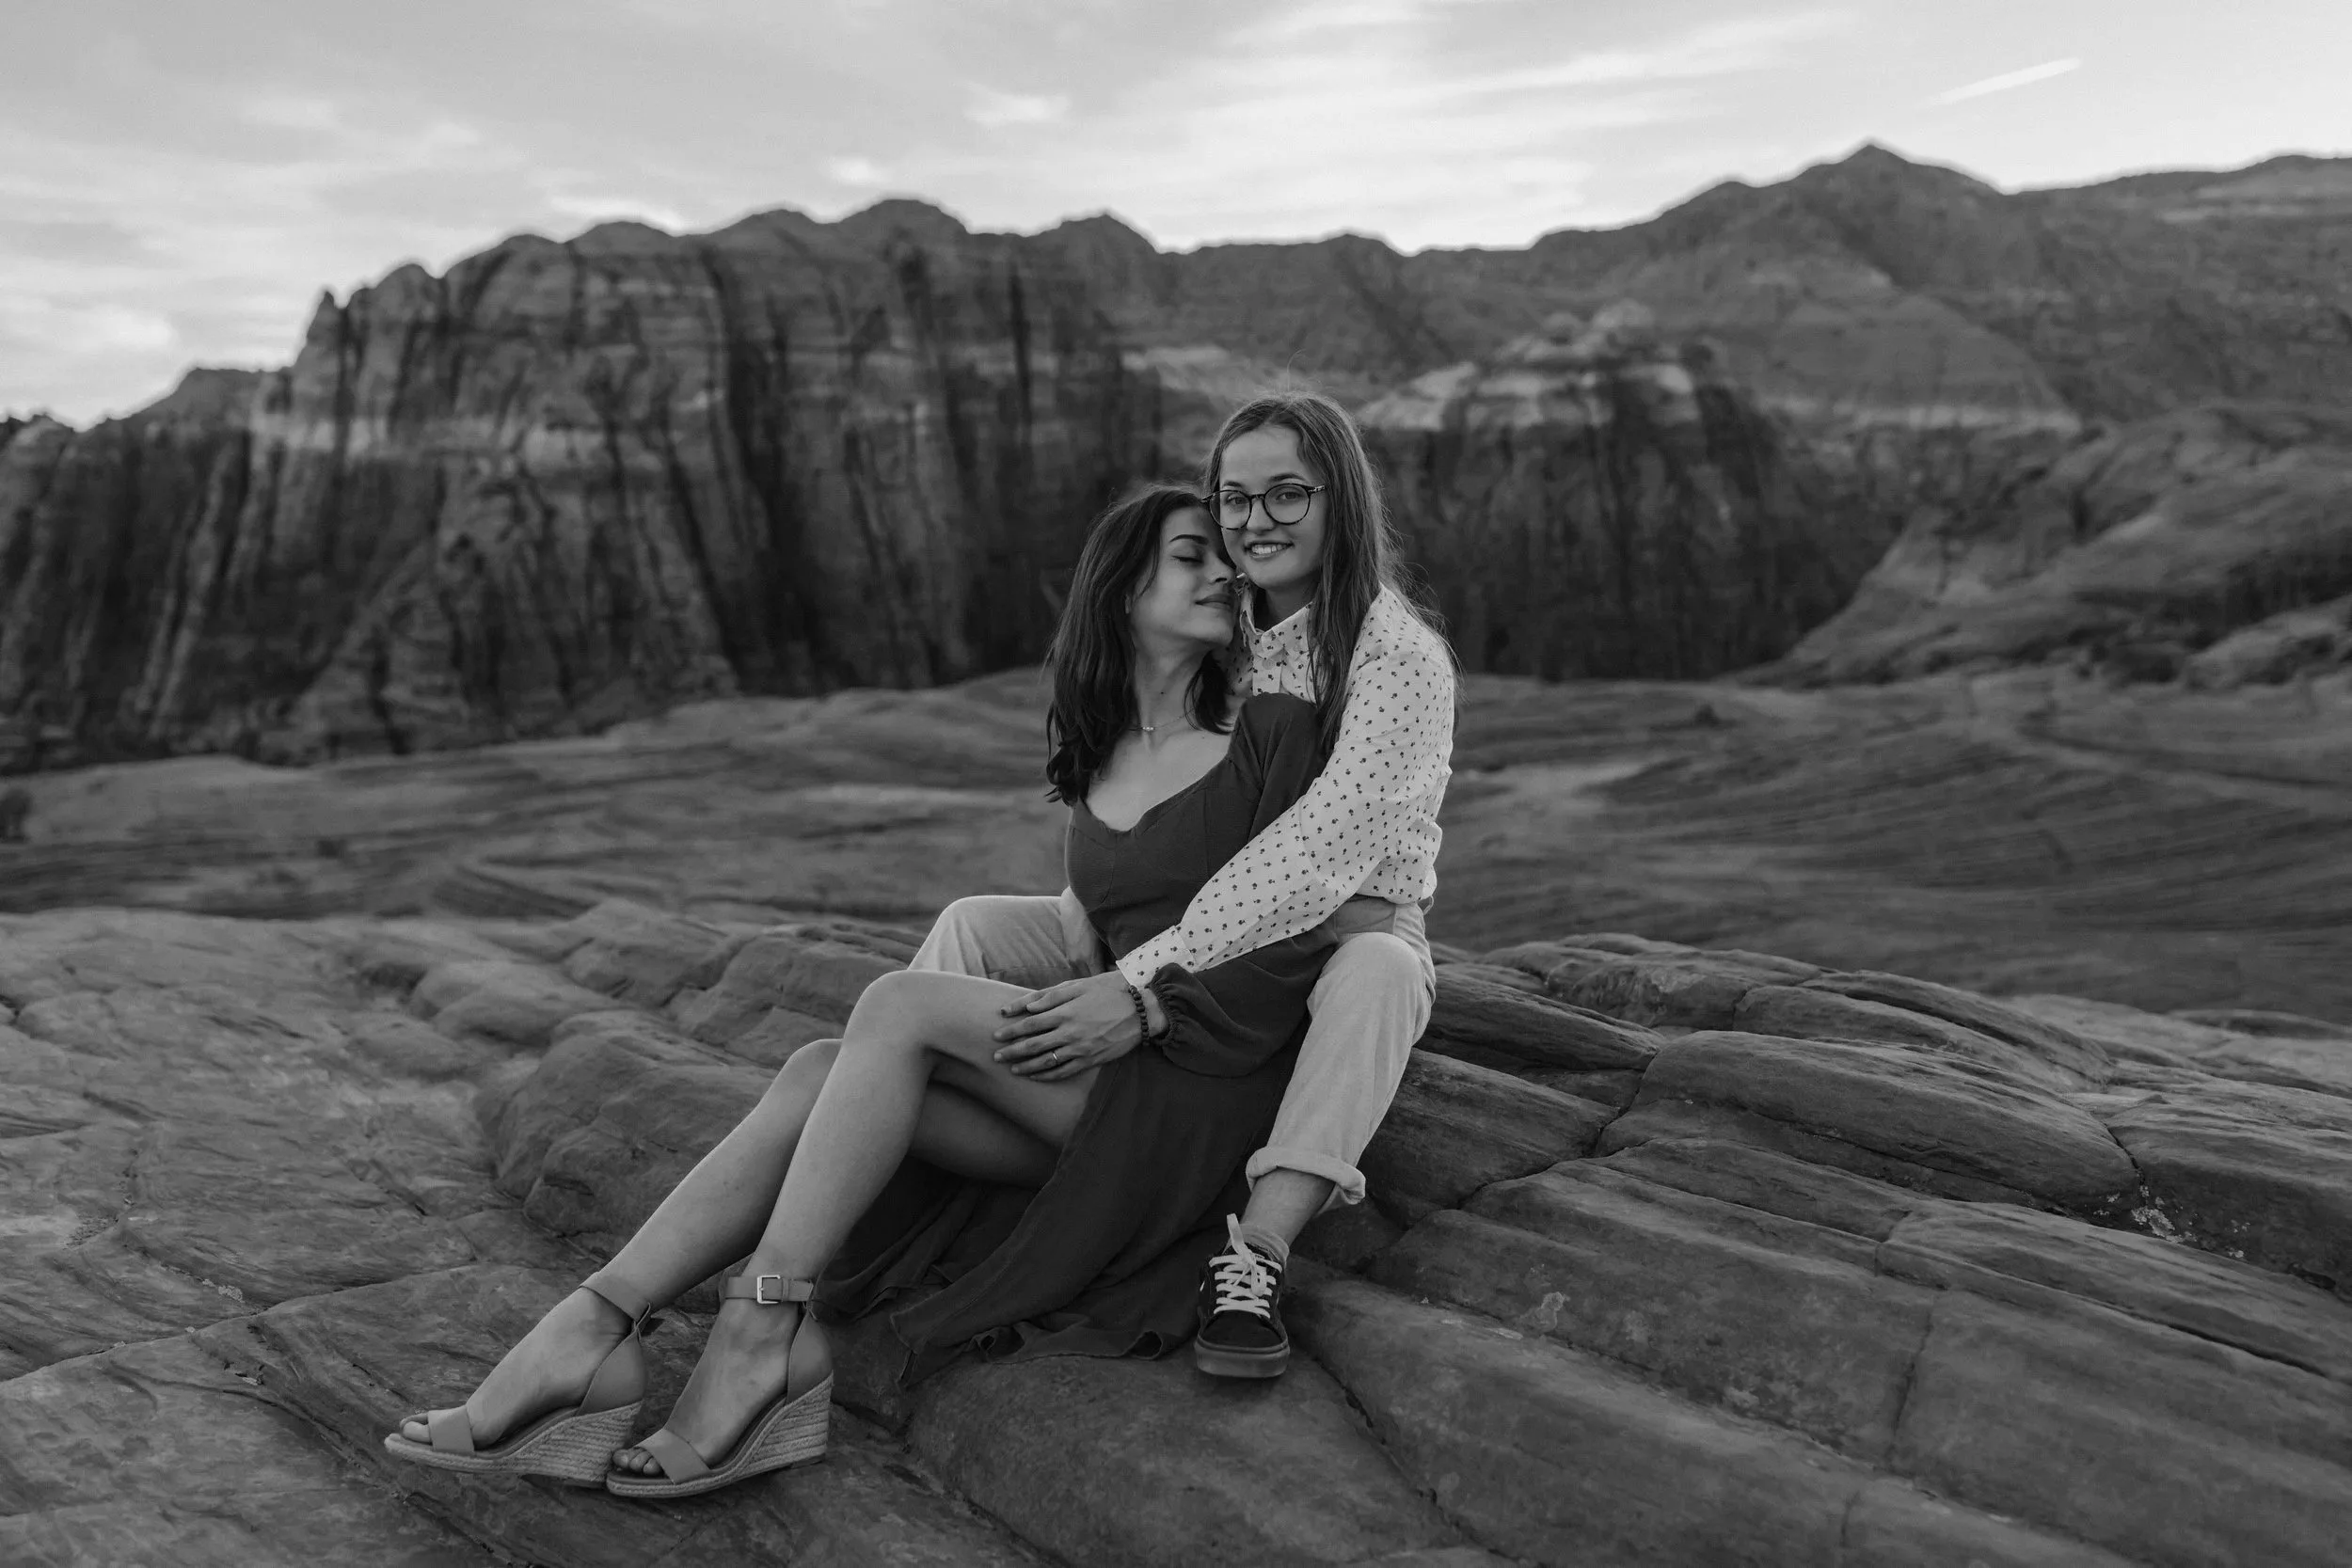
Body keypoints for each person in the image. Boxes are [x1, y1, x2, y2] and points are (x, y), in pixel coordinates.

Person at [383, 484, 1338, 1497]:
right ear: (1120, 584)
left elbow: (1301, 933)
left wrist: (1143, 1001)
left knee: (897, 1004)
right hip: (1093, 1088)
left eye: (1222, 558)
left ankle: (758, 1332)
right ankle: (591, 1323)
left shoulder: (1262, 742)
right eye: (1193, 553)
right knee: (815, 1068)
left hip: (1200, 1082)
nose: (1226, 572)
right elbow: (1101, 918)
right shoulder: (1104, 752)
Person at [961, 389, 1456, 1379]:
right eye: (1234, 497)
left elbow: (1314, 857)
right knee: (974, 928)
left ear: (1338, 500)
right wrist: (1093, 907)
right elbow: (1175, 797)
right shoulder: (1237, 625)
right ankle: (938, 1119)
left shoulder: (1394, 655)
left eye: (1285, 494)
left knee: (1380, 973)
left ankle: (1254, 1253)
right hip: (1203, 923)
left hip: (1330, 930)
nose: (1253, 521)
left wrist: (1140, 982)